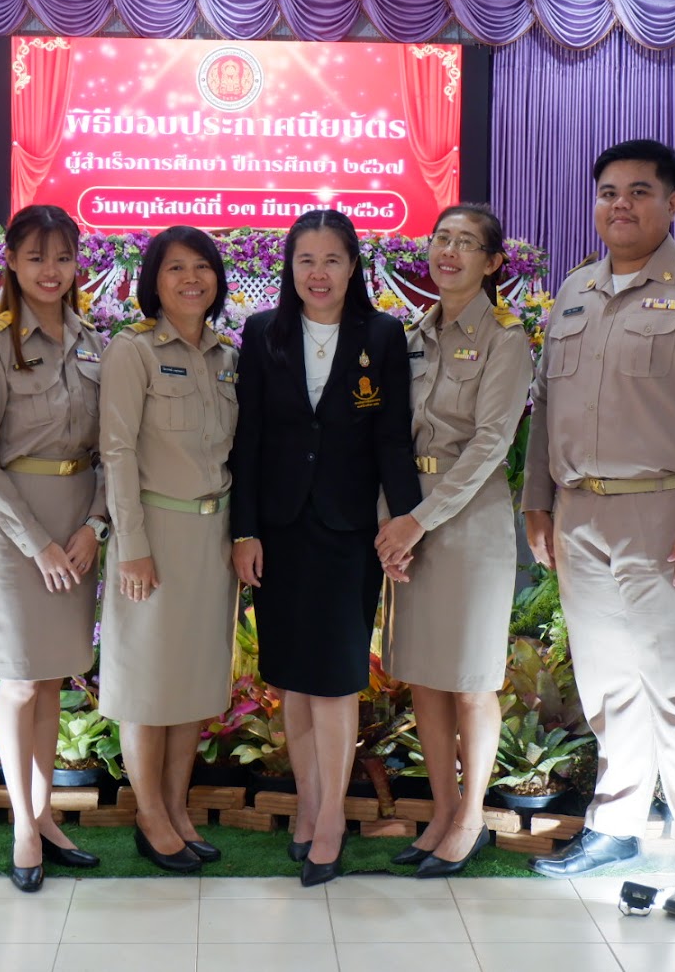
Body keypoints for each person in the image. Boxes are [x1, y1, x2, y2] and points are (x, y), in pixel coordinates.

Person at [521, 139, 675, 919]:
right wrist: (536, 500)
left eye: (638, 191)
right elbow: (547, 406)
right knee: (610, 682)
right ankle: (616, 826)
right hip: (581, 516)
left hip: (671, 514)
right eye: (607, 192)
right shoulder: (575, 291)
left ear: (672, 203)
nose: (619, 204)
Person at [230, 209, 420, 887]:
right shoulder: (263, 332)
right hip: (279, 530)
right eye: (306, 259)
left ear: (353, 266)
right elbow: (248, 438)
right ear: (289, 267)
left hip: (348, 532)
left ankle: (332, 821)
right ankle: (309, 807)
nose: (318, 273)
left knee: (336, 678)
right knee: (292, 677)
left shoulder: (383, 334)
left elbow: (392, 437)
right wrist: (244, 530)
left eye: (332, 259)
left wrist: (407, 523)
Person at [375, 203, 532, 879]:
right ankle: (440, 812)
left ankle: (471, 816)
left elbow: (491, 443)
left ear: (492, 262)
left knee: (469, 679)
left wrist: (419, 519)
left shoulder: (505, 338)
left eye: (466, 243)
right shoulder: (412, 335)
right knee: (425, 675)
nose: (449, 251)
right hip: (410, 518)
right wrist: (394, 524)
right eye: (442, 238)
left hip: (467, 522)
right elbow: (390, 437)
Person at [0, 204, 108, 894]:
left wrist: (94, 526)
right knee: (21, 679)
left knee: (53, 679)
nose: (52, 270)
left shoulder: (94, 342)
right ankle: (22, 823)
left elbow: (112, 449)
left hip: (77, 526)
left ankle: (45, 815)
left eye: (63, 257)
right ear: (13, 264)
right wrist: (39, 543)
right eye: (36, 257)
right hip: (22, 530)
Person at [98, 225, 239, 873]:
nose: (191, 278)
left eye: (202, 266)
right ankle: (150, 815)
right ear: (153, 280)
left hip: (212, 536)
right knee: (147, 682)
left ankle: (179, 810)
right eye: (176, 267)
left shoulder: (224, 355)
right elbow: (117, 450)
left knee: (194, 681)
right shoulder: (134, 351)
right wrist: (131, 545)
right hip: (153, 533)